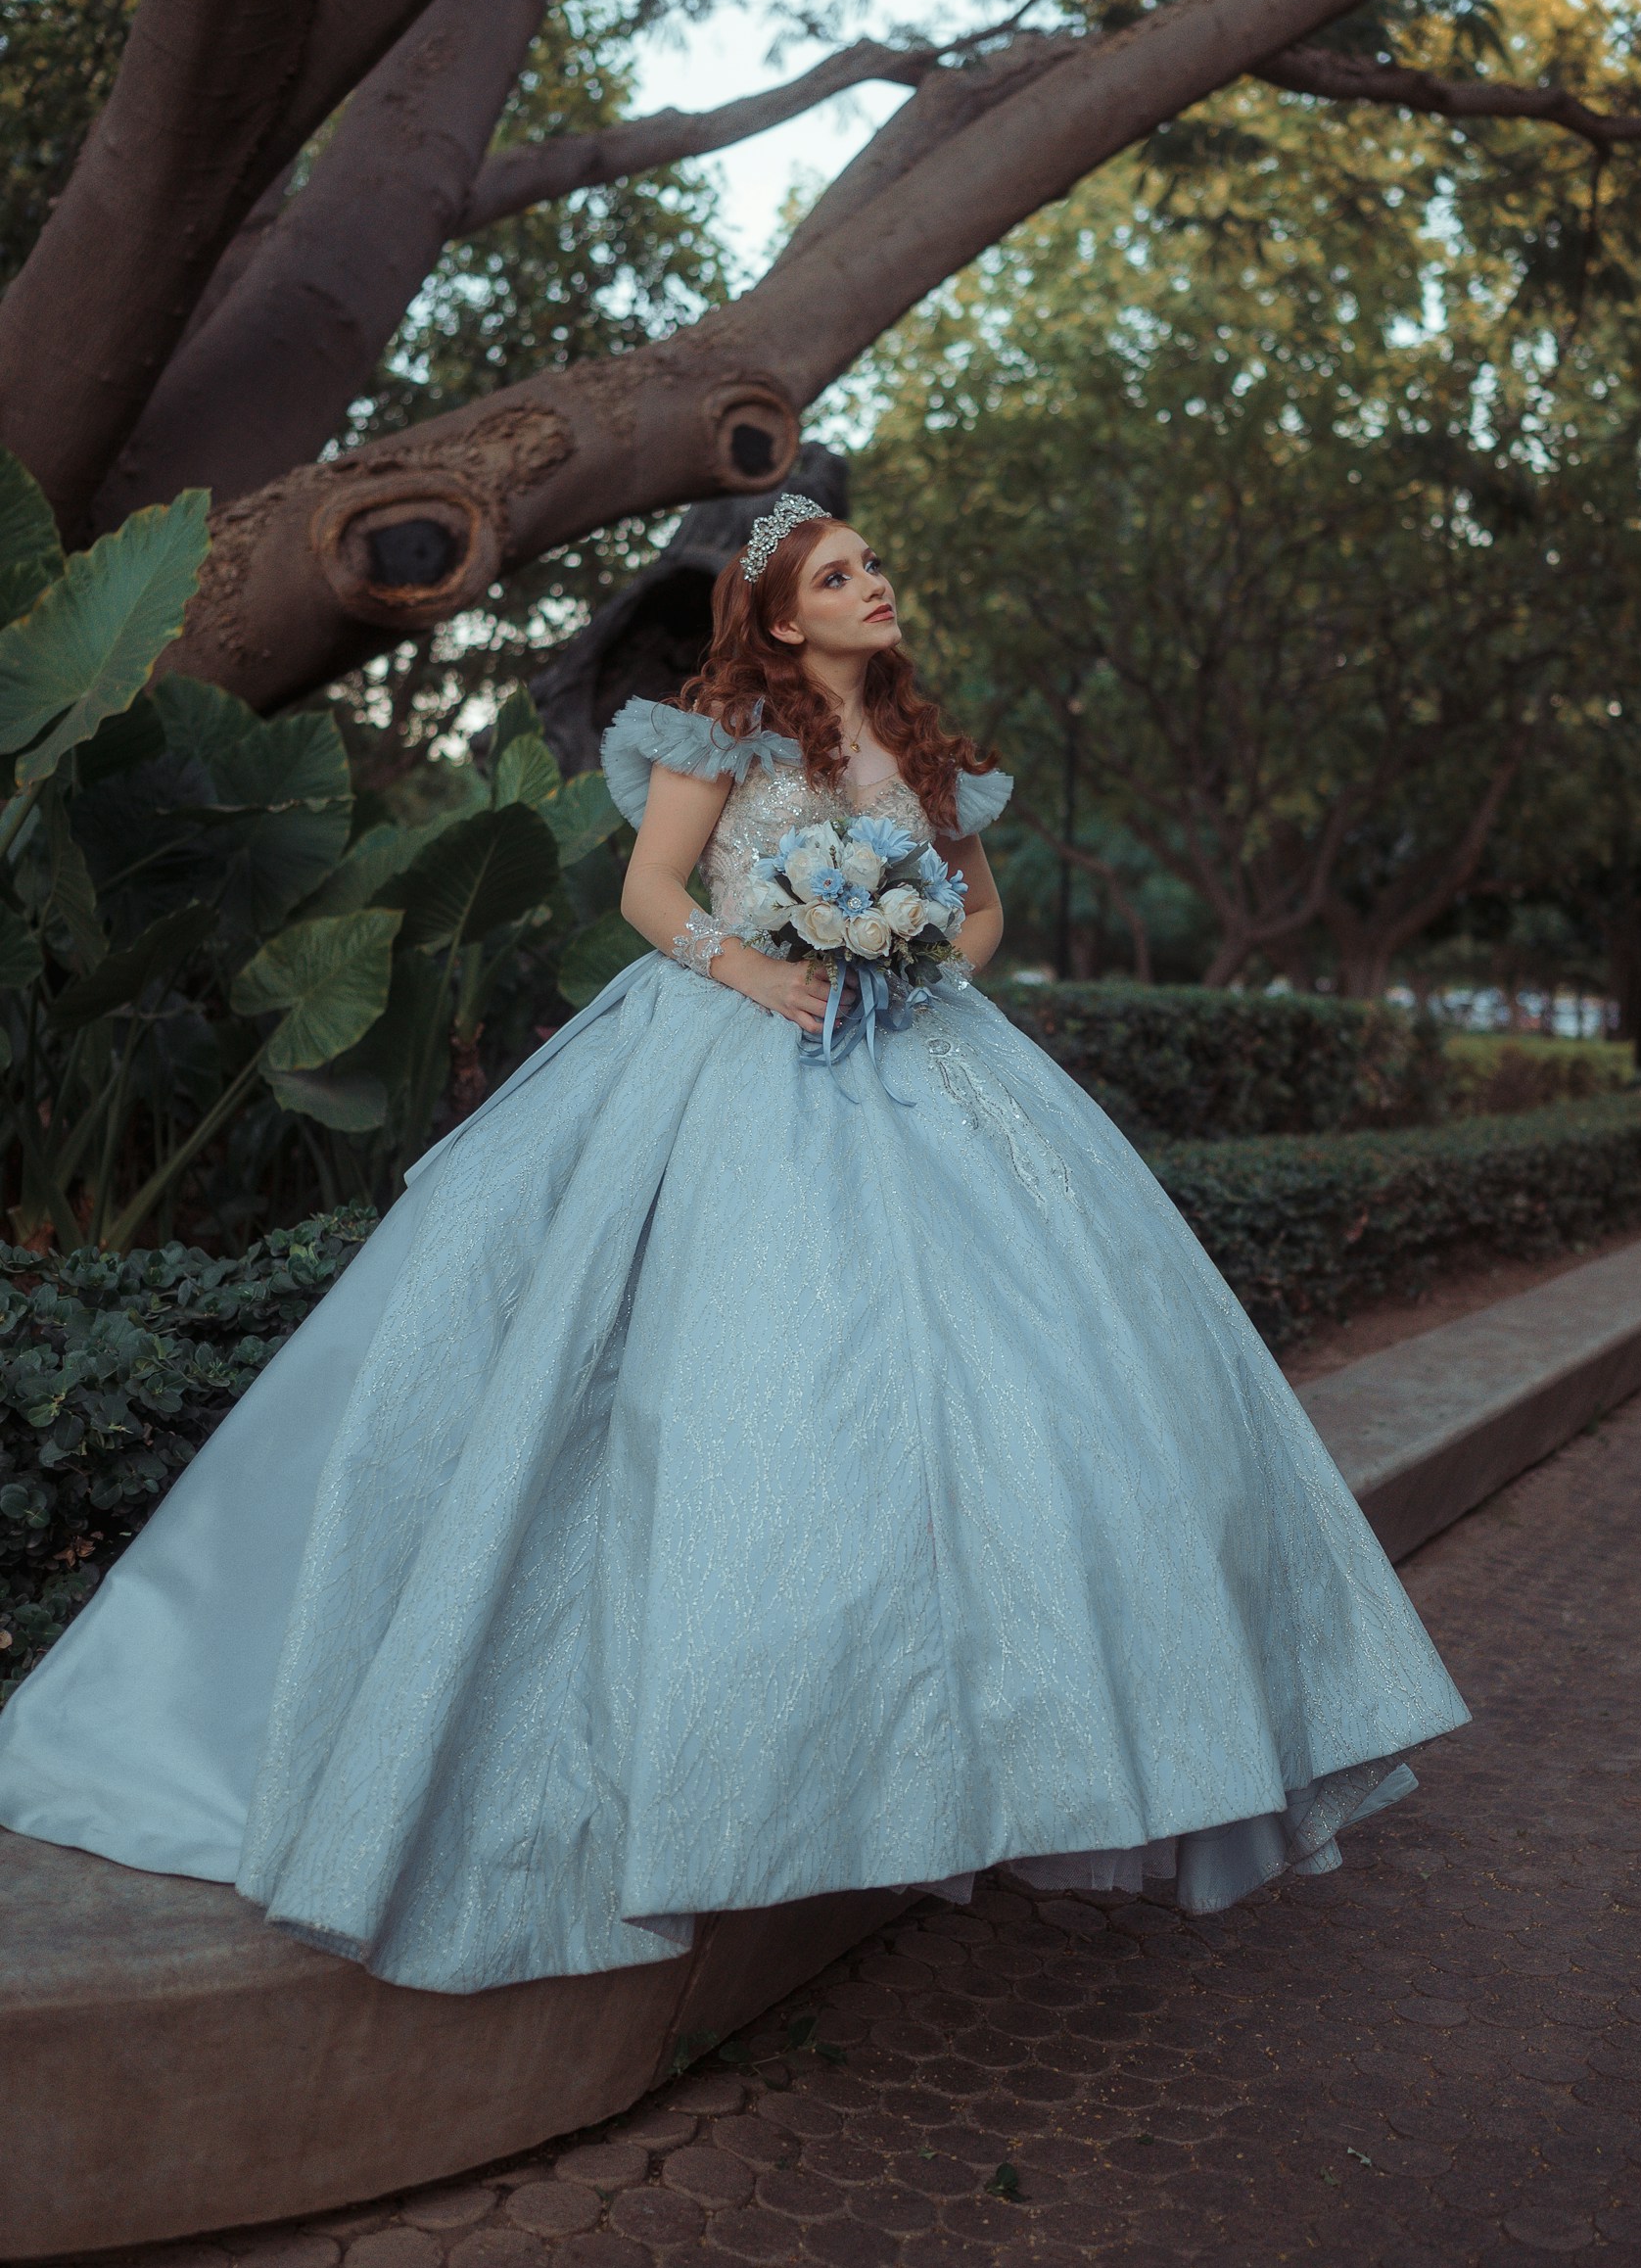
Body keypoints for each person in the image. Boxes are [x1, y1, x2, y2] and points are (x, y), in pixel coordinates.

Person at [0, 495, 1466, 1996]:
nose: (874, 585)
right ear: (777, 616)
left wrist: (909, 961)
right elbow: (647, 892)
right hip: (726, 1051)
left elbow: (983, 912)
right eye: (840, 574)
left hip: (920, 1056)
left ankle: (971, 1756)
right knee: (713, 1385)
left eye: (875, 566)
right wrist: (768, 976)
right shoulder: (717, 739)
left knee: (1028, 1381)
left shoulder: (927, 755)